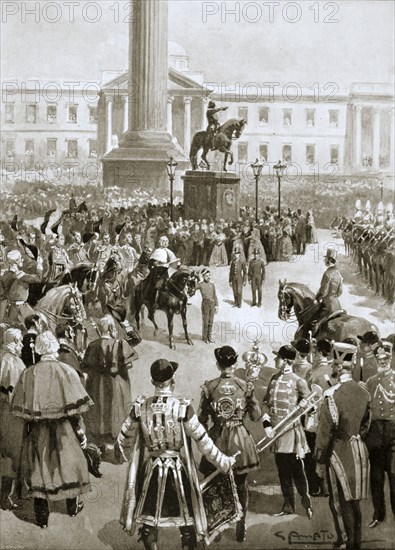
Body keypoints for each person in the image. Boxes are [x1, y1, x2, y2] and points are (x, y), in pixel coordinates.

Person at [115, 358, 236, 550]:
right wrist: (223, 461)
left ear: (153, 382)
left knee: (148, 523)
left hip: (151, 472)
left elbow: (123, 437)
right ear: (173, 381)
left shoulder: (140, 407)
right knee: (187, 522)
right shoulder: (182, 408)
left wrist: (123, 453)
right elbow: (203, 440)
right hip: (177, 472)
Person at [10, 331, 93, 528]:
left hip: (38, 431)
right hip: (64, 430)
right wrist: (81, 432)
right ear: (55, 347)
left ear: (39, 349)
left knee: (39, 471)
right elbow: (76, 411)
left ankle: (42, 519)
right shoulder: (67, 371)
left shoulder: (29, 373)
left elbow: (21, 411)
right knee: (68, 466)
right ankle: (72, 507)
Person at [198, 345, 261, 542]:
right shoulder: (245, 386)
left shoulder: (209, 387)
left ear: (218, 365)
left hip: (217, 439)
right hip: (240, 440)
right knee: (241, 484)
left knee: (215, 483)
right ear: (234, 364)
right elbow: (256, 416)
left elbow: (201, 419)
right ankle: (241, 527)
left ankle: (216, 527)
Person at [314, 343, 370, 550]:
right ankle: (356, 542)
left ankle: (347, 543)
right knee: (355, 502)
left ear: (337, 366)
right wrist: (355, 436)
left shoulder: (332, 395)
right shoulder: (364, 392)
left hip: (338, 453)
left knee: (339, 502)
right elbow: (366, 423)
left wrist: (320, 460)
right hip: (359, 451)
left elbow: (324, 433)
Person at [262, 345, 313, 518]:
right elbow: (265, 403)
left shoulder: (298, 381)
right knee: (283, 471)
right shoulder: (274, 378)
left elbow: (311, 402)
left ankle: (306, 503)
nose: (275, 360)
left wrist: (305, 404)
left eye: (278, 358)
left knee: (297, 470)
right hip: (276, 432)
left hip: (291, 431)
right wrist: (266, 425)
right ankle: (288, 505)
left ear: (286, 361)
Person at [82, 315, 138, 446]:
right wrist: (125, 323)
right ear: (112, 328)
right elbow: (135, 341)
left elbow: (85, 367)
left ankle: (99, 441)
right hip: (116, 386)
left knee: (99, 409)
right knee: (116, 409)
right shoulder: (120, 345)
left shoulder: (92, 345)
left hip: (96, 387)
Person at [364, 341, 395, 529]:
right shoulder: (370, 382)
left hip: (393, 434)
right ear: (376, 360)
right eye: (380, 359)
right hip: (375, 435)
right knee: (376, 478)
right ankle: (378, 514)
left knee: (394, 476)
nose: (383, 361)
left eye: (386, 358)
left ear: (391, 359)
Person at [0, 328, 25, 510]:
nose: (22, 345)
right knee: (11, 454)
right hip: (11, 414)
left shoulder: (2, 357)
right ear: (13, 342)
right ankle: (5, 497)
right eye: (20, 341)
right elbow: (15, 392)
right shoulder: (14, 362)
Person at [0, 249, 43, 326]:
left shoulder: (5, 275)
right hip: (21, 309)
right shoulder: (20, 276)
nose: (22, 260)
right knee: (37, 324)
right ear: (16, 261)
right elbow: (38, 279)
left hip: (10, 309)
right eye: (20, 259)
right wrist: (39, 266)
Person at [315, 248, 343, 317]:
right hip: (337, 305)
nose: (324, 260)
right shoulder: (338, 274)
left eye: (326, 259)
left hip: (327, 305)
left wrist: (317, 298)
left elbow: (323, 291)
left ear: (329, 260)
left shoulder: (327, 274)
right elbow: (339, 292)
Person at [195, 268, 218, 343]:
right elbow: (193, 288)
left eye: (209, 275)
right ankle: (205, 338)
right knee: (206, 321)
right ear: (203, 276)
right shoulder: (201, 285)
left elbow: (214, 295)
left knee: (211, 321)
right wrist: (196, 278)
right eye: (206, 276)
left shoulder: (212, 285)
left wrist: (216, 305)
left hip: (212, 304)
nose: (209, 277)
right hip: (205, 304)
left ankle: (209, 337)